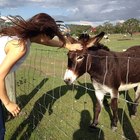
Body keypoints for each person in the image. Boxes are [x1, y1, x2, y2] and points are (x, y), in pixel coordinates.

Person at [0, 12, 82, 139]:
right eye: (51, 35)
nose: (51, 38)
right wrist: (7, 103)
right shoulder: (20, 47)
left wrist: (67, 45)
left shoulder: (20, 35)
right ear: (42, 33)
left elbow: (47, 42)